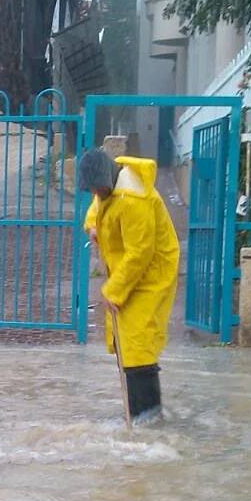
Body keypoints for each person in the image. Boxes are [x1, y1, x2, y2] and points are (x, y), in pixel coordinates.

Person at [79, 148, 180, 422]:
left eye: (98, 188)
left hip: (151, 272)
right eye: (92, 189)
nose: (96, 192)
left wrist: (114, 290)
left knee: (138, 340)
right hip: (129, 269)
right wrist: (92, 226)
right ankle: (135, 410)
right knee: (125, 336)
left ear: (108, 178)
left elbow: (140, 253)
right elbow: (96, 210)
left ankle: (148, 416)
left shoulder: (134, 201)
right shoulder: (107, 187)